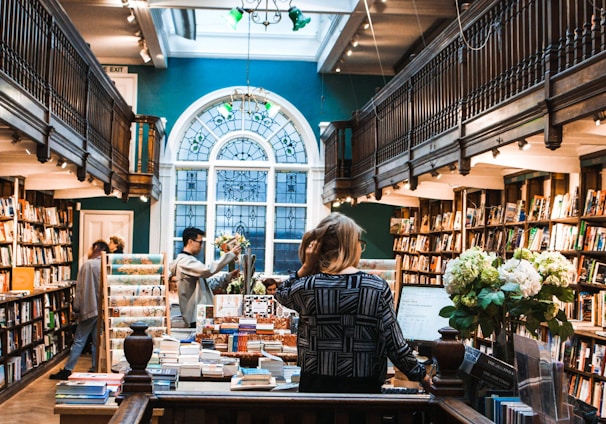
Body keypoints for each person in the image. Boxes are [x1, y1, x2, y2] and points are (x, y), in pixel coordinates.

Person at [275, 212, 431, 394]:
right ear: (350, 246)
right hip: (363, 393)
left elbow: (281, 293)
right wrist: (422, 376)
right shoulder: (375, 288)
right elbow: (395, 345)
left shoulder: (307, 287)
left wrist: (306, 267)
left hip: (314, 392)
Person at [50, 239, 110, 380]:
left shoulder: (87, 265)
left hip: (89, 308)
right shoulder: (107, 264)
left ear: (96, 249)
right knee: (97, 341)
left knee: (79, 339)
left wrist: (76, 308)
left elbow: (80, 289)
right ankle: (95, 368)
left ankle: (68, 369)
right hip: (102, 310)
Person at [169, 227, 241, 328]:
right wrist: (230, 255)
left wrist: (227, 277)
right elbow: (207, 270)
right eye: (200, 242)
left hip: (201, 314)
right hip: (196, 315)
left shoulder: (190, 260)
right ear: (190, 241)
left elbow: (207, 284)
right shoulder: (184, 262)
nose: (201, 246)